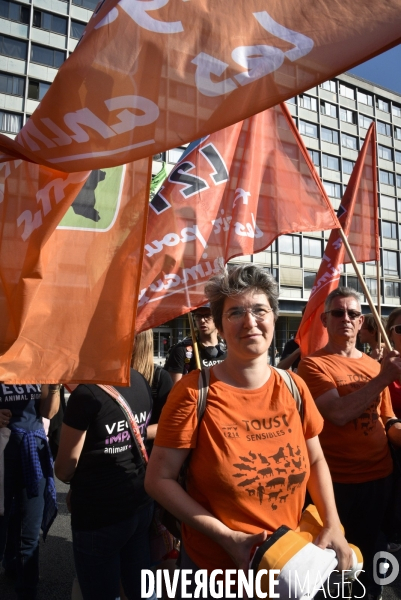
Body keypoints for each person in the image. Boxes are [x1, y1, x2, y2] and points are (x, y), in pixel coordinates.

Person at [145, 264, 352, 598]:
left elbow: (316, 461)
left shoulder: (294, 386)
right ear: (221, 326)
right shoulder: (192, 391)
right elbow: (158, 480)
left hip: (288, 561)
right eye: (236, 312)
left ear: (273, 316)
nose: (250, 321)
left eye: (260, 309)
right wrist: (229, 539)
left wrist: (333, 525)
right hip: (215, 570)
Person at [297, 287, 401, 599]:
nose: (346, 318)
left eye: (353, 314)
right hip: (337, 484)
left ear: (361, 322)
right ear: (325, 321)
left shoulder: (374, 364)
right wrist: (384, 378)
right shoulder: (313, 365)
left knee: (371, 558)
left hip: (380, 478)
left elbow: (387, 419)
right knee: (338, 565)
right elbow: (338, 414)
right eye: (338, 313)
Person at [55, 369, 156, 600]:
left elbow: (63, 469)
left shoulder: (86, 395)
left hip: (98, 515)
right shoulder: (139, 379)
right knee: (139, 588)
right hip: (139, 502)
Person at [0, 382, 60, 600]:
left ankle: (27, 591)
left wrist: (54, 386)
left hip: (33, 450)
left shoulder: (39, 361)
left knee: (29, 533)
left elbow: (48, 412)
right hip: (2, 453)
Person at [131, 330, 173, 451]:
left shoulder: (159, 377)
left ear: (140, 341)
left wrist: (127, 435)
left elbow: (167, 425)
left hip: (147, 454)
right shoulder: (112, 376)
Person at [165, 304, 227, 384]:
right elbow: (174, 390)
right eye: (198, 316)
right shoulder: (181, 350)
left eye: (208, 315)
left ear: (217, 318)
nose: (202, 320)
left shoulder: (230, 349)